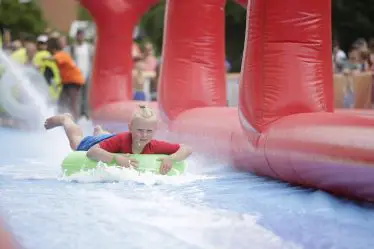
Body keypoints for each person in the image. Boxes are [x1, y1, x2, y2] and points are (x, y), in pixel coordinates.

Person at [44, 104, 192, 174]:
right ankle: (66, 119)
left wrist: (171, 159)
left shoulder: (153, 145)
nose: (144, 135)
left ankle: (100, 131)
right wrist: (116, 159)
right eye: (140, 130)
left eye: (149, 131)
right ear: (130, 128)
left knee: (106, 137)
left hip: (109, 141)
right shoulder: (123, 139)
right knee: (75, 143)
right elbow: (91, 152)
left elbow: (186, 148)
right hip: (104, 143)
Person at [44, 37, 84, 120]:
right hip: (67, 82)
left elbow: (54, 58)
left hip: (74, 81)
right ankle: (61, 118)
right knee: (61, 102)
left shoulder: (61, 54)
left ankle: (75, 121)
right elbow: (64, 70)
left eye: (48, 49)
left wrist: (44, 58)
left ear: (52, 48)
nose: (48, 52)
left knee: (72, 103)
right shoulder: (61, 54)